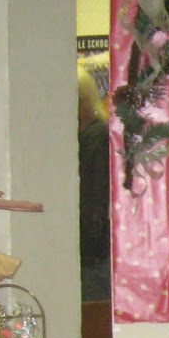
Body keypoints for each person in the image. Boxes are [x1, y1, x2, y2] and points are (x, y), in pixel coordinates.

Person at [77, 66, 111, 302]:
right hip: (91, 251)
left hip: (94, 255)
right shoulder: (89, 137)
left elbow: (94, 198)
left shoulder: (97, 138)